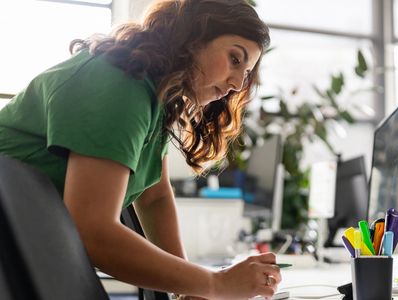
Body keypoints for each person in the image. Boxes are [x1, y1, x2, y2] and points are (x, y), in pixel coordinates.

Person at [0, 0, 279, 299]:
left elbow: (155, 197)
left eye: (246, 72)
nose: (239, 84)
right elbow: (92, 230)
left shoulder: (150, 93)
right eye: (235, 59)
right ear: (193, 36)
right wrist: (214, 284)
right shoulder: (117, 83)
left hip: (25, 249)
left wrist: (191, 290)